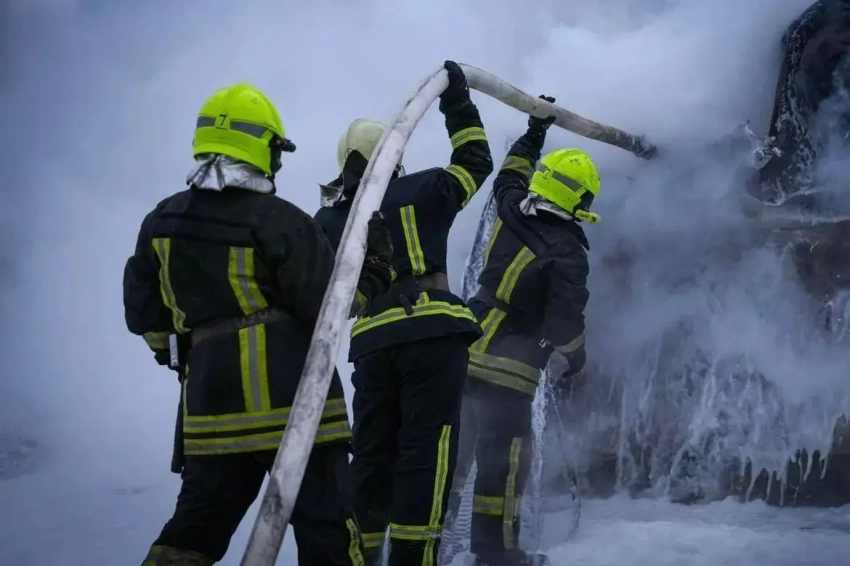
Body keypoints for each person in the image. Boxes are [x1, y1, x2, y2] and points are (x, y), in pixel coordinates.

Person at [123, 82, 395, 566]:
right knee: (329, 533)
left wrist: (196, 355)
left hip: (211, 415)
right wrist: (373, 268)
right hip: (296, 411)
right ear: (264, 148)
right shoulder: (281, 222)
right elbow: (328, 309)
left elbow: (148, 321)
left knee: (191, 534)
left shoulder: (159, 224)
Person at [313, 61, 494, 566]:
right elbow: (477, 159)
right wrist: (457, 101)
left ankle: (362, 557)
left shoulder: (327, 220)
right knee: (426, 454)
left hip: (372, 345)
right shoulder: (429, 188)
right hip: (434, 337)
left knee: (371, 457)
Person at [451, 96, 600, 566]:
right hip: (509, 373)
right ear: (581, 199)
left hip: (466, 348)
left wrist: (535, 130)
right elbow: (563, 324)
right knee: (505, 465)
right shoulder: (569, 254)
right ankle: (497, 557)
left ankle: (420, 542)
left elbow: (510, 174)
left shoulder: (513, 207)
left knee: (451, 461)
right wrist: (576, 358)